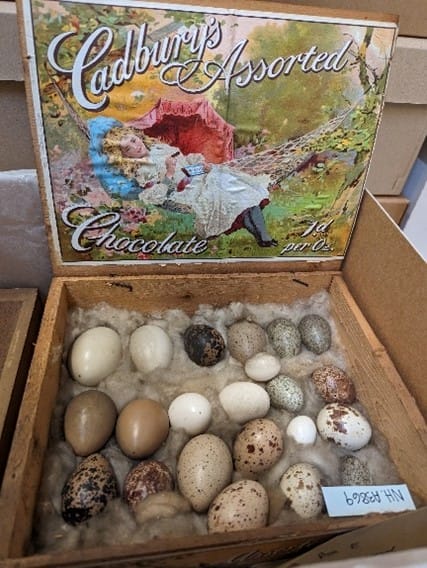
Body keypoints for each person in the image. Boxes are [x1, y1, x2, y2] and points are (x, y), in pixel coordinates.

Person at [90, 116, 277, 247]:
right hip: (184, 194)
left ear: (136, 135)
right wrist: (169, 173)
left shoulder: (159, 148)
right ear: (124, 155)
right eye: (128, 148)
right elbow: (158, 196)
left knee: (237, 188)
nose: (135, 146)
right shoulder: (140, 170)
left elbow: (187, 164)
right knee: (229, 194)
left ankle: (264, 237)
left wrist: (201, 165)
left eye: (133, 140)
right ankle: (263, 238)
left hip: (198, 178)